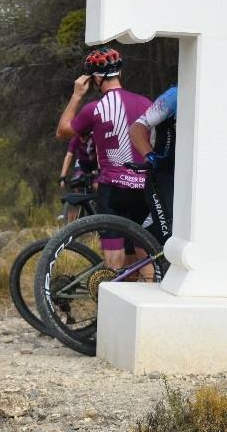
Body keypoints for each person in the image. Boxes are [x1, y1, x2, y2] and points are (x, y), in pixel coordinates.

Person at [56, 47, 151, 271]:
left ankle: (113, 300)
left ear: (96, 78)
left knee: (114, 264)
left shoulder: (95, 108)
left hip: (113, 188)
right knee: (145, 255)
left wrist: (77, 95)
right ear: (120, 73)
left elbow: (62, 132)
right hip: (144, 186)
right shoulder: (146, 103)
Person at [129, 85, 176, 244]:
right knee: (169, 239)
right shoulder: (176, 94)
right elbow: (136, 129)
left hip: (186, 178)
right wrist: (151, 157)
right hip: (163, 177)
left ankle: (146, 263)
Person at [58, 131, 96, 223]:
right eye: (80, 136)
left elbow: (100, 152)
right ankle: (76, 212)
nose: (82, 139)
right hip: (82, 164)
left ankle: (98, 208)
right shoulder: (75, 138)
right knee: (76, 183)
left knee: (96, 185)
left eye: (84, 136)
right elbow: (68, 156)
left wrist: (98, 169)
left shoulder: (94, 136)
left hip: (95, 164)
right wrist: (62, 176)